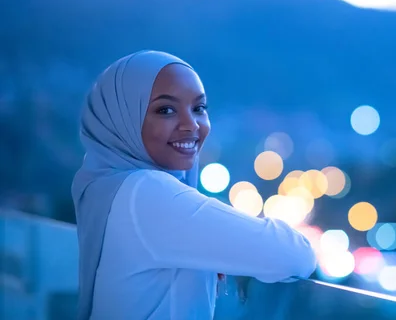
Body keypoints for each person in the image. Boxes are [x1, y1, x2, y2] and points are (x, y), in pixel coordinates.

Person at [71, 50, 317, 320]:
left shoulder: (107, 185)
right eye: (166, 110)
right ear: (123, 119)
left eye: (199, 108)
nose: (191, 125)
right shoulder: (145, 193)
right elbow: (296, 255)